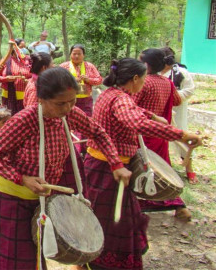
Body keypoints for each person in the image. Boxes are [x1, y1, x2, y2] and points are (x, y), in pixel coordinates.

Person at [0, 67, 128, 270]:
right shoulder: (23, 121)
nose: (68, 108)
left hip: (43, 197)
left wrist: (116, 164)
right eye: (61, 103)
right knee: (12, 257)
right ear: (41, 99)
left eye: (73, 101)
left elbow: (99, 133)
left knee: (38, 251)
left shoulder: (70, 115)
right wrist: (22, 179)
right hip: (13, 196)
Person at [83, 58, 201, 270]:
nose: (145, 82)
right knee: (115, 223)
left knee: (111, 217)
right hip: (109, 170)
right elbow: (135, 121)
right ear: (135, 78)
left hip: (102, 166)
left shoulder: (109, 94)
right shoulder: (121, 99)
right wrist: (181, 134)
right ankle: (100, 263)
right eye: (144, 78)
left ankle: (89, 260)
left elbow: (134, 113)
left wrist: (153, 115)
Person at [133, 48, 191, 219]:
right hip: (160, 135)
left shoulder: (142, 82)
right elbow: (177, 100)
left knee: (140, 169)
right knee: (164, 169)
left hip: (142, 134)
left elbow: (131, 106)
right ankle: (177, 205)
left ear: (146, 64)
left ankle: (138, 203)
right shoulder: (167, 82)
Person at [160, 47, 197, 183]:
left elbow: (189, 90)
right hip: (159, 109)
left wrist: (173, 97)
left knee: (181, 134)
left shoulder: (181, 72)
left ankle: (189, 168)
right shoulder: (155, 72)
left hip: (177, 108)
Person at [59, 44, 102, 116]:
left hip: (86, 100)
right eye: (74, 54)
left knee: (86, 119)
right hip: (68, 99)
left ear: (83, 55)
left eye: (79, 54)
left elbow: (99, 80)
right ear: (70, 54)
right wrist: (71, 81)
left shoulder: (89, 66)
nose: (76, 56)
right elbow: (57, 81)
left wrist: (88, 80)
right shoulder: (64, 66)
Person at [0, 47, 32, 115]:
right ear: (13, 49)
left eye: (24, 46)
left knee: (24, 118)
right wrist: (5, 79)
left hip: (26, 97)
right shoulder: (5, 60)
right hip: (8, 97)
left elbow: (36, 76)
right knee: (9, 117)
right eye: (20, 46)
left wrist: (27, 81)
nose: (22, 49)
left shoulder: (29, 61)